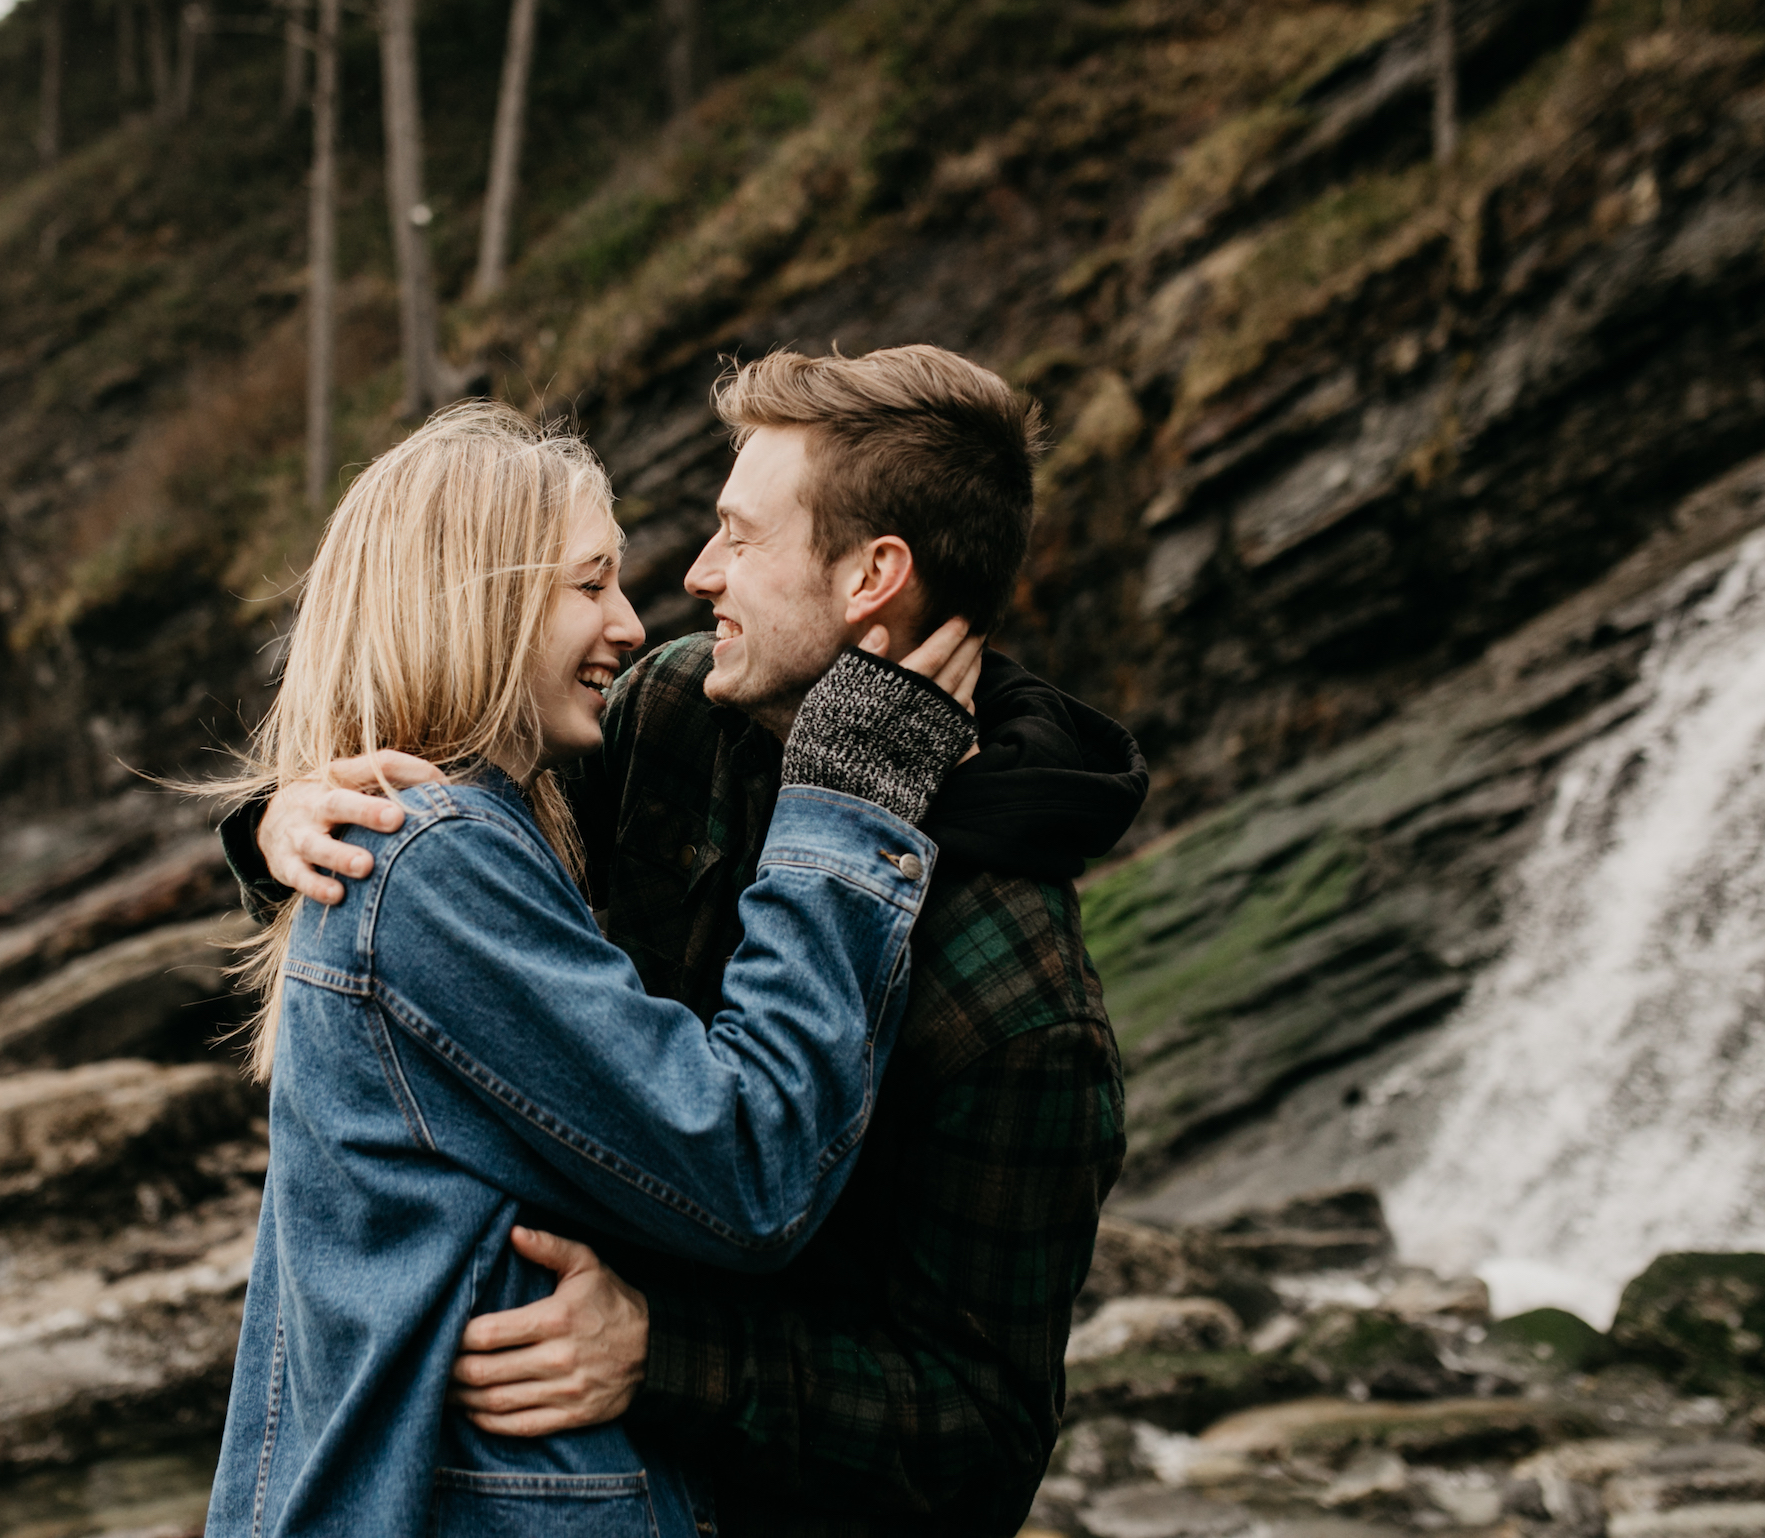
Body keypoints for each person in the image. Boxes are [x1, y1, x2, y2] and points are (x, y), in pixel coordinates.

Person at [241, 346, 1147, 1536]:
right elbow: (446, 833)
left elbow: (981, 1441)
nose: (696, 575)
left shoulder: (1018, 996)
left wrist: (668, 1355)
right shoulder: (679, 719)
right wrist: (280, 817)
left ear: (874, 574)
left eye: (738, 534)